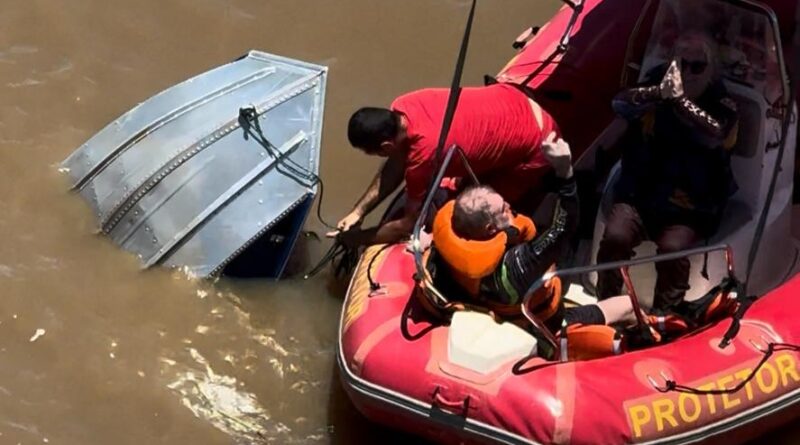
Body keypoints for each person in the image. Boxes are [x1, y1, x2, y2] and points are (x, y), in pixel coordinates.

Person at [430, 133, 639, 334]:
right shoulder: (518, 267)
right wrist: (565, 172)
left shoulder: (443, 247)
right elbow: (562, 228)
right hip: (545, 321)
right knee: (627, 304)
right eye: (503, 209)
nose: (510, 207)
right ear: (490, 230)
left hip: (498, 304)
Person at [595, 31, 739, 312]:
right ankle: (606, 303)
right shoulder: (657, 83)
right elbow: (621, 103)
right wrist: (658, 93)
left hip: (688, 206)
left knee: (673, 250)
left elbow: (714, 134)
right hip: (640, 196)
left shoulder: (723, 104)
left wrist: (678, 101)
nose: (688, 72)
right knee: (616, 236)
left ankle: (665, 314)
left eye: (697, 66)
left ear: (710, 72)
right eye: (681, 64)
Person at [327, 82, 560, 247]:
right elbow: (397, 163)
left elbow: (407, 225)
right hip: (517, 101)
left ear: (387, 146)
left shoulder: (424, 154)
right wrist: (358, 212)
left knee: (478, 216)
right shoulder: (405, 104)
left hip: (539, 144)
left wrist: (354, 240)